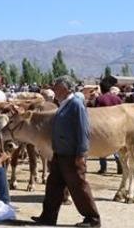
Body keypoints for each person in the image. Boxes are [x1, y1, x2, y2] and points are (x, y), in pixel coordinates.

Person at [32, 75, 101, 228]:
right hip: (60, 153)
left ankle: (93, 220)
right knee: (53, 187)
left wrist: (81, 154)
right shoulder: (64, 103)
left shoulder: (76, 104)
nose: (54, 89)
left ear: (65, 88)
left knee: (79, 187)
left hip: (71, 155)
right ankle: (47, 217)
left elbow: (83, 130)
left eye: (56, 86)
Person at [94, 79, 122, 175]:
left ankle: (103, 168)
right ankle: (120, 165)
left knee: (102, 146)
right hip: (117, 124)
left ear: (101, 88)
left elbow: (96, 113)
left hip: (103, 125)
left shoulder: (100, 99)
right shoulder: (117, 98)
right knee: (116, 147)